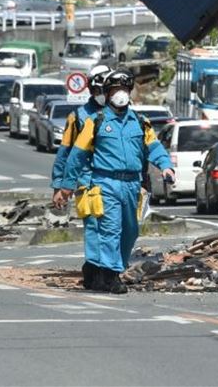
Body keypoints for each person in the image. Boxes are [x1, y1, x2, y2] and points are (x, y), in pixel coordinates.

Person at [57, 69, 174, 293]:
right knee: (110, 229)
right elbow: (76, 155)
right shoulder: (95, 121)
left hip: (132, 185)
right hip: (105, 183)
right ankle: (111, 275)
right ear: (108, 94)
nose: (120, 93)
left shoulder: (140, 122)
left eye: (124, 89)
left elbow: (154, 147)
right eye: (115, 89)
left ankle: (104, 269)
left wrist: (166, 166)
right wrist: (66, 185)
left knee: (130, 231)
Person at [51, 65, 110, 287]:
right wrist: (59, 185)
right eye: (98, 90)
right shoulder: (78, 117)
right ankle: (94, 270)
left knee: (118, 227)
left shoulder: (124, 115)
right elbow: (65, 152)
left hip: (116, 181)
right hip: (87, 181)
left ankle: (110, 268)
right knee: (94, 225)